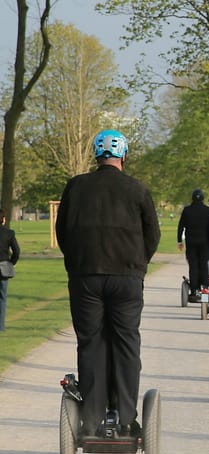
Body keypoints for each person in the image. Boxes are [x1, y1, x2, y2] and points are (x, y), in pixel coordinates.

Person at [55, 129, 160, 436]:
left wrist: (78, 262)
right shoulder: (137, 189)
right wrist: (137, 264)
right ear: (124, 155)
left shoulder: (75, 187)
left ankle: (91, 419)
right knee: (126, 343)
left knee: (90, 343)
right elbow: (152, 236)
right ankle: (126, 418)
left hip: (85, 277)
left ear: (95, 155)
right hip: (126, 277)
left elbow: (63, 233)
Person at [177, 189, 209, 302]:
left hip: (191, 241)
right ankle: (205, 288)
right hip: (205, 242)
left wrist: (179, 241)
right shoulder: (207, 211)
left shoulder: (187, 210)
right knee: (203, 265)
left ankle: (194, 290)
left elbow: (181, 226)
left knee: (193, 266)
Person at [0, 210, 20, 332]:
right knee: (2, 297)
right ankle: (0, 326)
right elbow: (16, 251)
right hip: (3, 267)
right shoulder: (9, 233)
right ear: (3, 219)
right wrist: (11, 262)